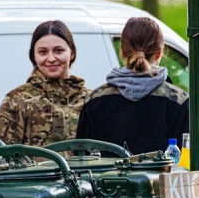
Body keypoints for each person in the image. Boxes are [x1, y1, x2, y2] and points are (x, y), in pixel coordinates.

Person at [75, 16, 189, 156]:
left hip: (105, 178)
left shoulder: (95, 100)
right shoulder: (178, 101)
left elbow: (80, 157)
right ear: (159, 52)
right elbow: (186, 159)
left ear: (122, 51)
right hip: (160, 178)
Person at [0, 20, 90, 147]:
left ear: (71, 53)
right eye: (43, 52)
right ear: (34, 56)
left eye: (58, 50)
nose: (51, 58)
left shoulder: (90, 100)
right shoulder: (16, 100)